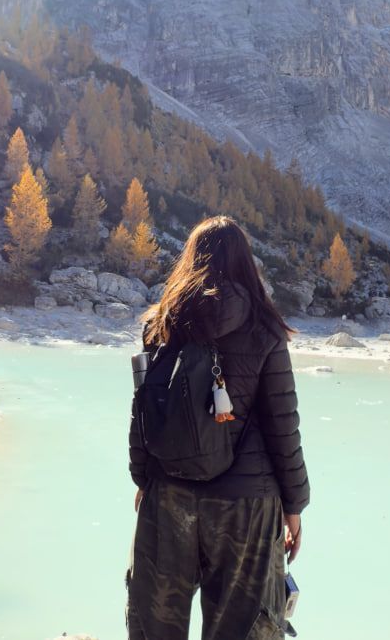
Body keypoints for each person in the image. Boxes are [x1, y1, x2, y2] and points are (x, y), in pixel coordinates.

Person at [126, 215, 309, 640]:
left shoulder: (161, 325)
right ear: (246, 263)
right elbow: (283, 424)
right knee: (244, 626)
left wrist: (143, 477)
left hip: (169, 490)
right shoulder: (265, 330)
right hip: (246, 502)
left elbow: (143, 410)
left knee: (154, 624)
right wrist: (294, 505)